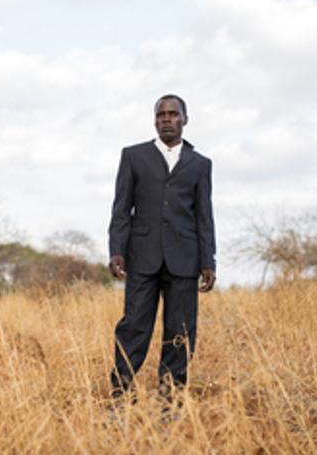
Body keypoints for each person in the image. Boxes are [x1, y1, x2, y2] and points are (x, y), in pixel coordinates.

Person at [107, 94, 216, 403]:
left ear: (185, 119)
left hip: (185, 260)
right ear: (155, 120)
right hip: (141, 258)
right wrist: (117, 250)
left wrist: (208, 261)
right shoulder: (133, 156)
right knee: (133, 327)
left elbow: (204, 216)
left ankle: (171, 402)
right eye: (160, 114)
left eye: (173, 114)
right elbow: (120, 209)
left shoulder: (200, 164)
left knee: (180, 333)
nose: (166, 119)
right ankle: (120, 398)